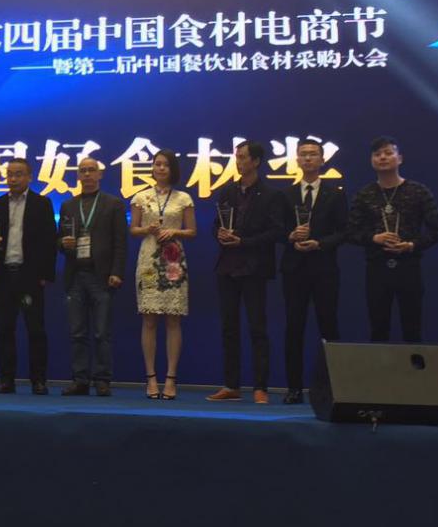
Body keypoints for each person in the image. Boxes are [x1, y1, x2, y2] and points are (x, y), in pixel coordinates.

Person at [207, 141, 284, 404]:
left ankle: (260, 386)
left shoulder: (270, 194)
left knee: (257, 328)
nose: (238, 162)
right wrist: (219, 233)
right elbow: (216, 223)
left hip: (254, 268)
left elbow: (276, 232)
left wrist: (244, 241)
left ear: (256, 161)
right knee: (229, 327)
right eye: (236, 157)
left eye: (242, 157)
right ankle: (231, 385)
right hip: (227, 267)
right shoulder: (227, 191)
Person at [347, 136, 438, 343]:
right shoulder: (364, 194)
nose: (383, 157)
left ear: (400, 158)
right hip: (377, 267)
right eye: (377, 154)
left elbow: (437, 230)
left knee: (412, 328)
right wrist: (374, 238)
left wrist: (412, 245)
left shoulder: (418, 191)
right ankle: (380, 365)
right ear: (372, 160)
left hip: (409, 266)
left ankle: (414, 365)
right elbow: (351, 231)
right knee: (378, 329)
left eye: (388, 153)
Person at [279, 138, 347, 404]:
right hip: (294, 269)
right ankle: (294, 388)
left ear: (322, 160)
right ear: (297, 159)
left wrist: (319, 243)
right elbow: (276, 229)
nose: (308, 158)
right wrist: (290, 236)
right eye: (303, 154)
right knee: (293, 327)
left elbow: (344, 232)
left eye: (313, 154)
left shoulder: (335, 194)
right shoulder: (286, 195)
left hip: (324, 269)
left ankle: (333, 388)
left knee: (329, 327)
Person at [0, 157, 57, 395]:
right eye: (10, 174)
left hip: (30, 276)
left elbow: (50, 241)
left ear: (29, 177)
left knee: (36, 330)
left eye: (18, 174)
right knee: (5, 330)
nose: (13, 179)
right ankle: (7, 380)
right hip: (4, 274)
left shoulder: (42, 203)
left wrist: (45, 275)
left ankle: (38, 380)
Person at [58, 157, 127, 397]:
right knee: (77, 332)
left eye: (91, 170)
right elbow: (59, 240)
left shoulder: (113, 204)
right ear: (78, 176)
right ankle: (80, 380)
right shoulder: (68, 205)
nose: (87, 174)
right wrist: (63, 243)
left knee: (101, 332)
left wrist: (117, 271)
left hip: (102, 276)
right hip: (76, 274)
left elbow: (120, 243)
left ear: (100, 174)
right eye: (82, 171)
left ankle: (102, 379)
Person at [131, 149, 196, 400]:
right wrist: (146, 229)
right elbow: (133, 229)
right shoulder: (141, 196)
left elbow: (192, 231)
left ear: (172, 169)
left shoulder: (183, 198)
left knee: (173, 320)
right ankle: (150, 377)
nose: (160, 168)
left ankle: (170, 378)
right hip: (148, 259)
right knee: (148, 319)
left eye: (165, 165)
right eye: (157, 164)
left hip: (173, 260)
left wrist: (174, 232)